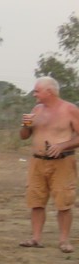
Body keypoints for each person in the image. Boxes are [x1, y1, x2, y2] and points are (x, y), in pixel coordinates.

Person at [19, 76, 79, 253]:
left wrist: (62, 145)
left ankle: (64, 241)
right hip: (38, 161)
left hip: (62, 162)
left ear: (49, 92)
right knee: (36, 201)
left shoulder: (70, 109)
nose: (34, 94)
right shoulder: (36, 109)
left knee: (63, 202)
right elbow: (24, 136)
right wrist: (25, 125)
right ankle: (36, 238)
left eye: (37, 91)